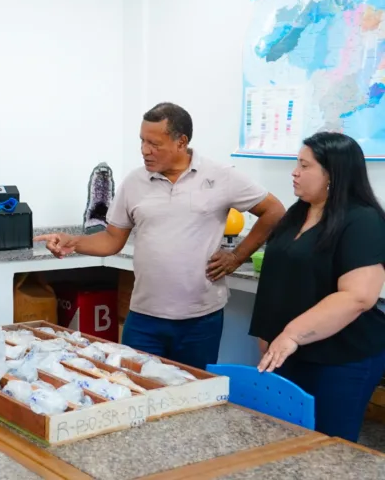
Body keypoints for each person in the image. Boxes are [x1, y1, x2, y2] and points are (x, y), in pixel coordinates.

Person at [36, 102, 285, 369]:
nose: (145, 150)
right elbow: (111, 239)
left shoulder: (220, 177)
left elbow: (274, 210)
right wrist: (74, 242)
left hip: (200, 320)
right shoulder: (134, 182)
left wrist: (237, 256)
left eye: (154, 143)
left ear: (181, 142)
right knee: (136, 391)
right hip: (145, 318)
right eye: (142, 141)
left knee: (194, 395)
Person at [250, 132, 385, 442]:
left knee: (327, 443)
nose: (294, 172)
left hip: (341, 357)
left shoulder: (362, 221)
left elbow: (358, 296)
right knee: (285, 436)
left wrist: (291, 334)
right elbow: (279, 278)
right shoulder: (297, 214)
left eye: (305, 165)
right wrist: (268, 333)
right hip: (290, 351)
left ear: (333, 174)